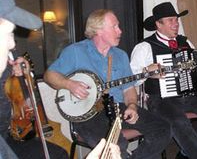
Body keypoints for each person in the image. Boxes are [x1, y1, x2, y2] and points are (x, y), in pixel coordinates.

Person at [44, 9, 171, 159]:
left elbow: (128, 89)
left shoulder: (121, 55)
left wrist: (132, 106)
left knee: (163, 128)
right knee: (116, 146)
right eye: (114, 26)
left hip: (118, 108)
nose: (120, 31)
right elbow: (49, 75)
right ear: (98, 30)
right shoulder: (76, 52)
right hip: (88, 115)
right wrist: (69, 84)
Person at [130, 2, 197, 159]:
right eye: (171, 20)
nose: (176, 24)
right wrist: (147, 72)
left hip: (189, 95)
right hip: (161, 99)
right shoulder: (145, 47)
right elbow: (132, 79)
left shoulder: (185, 42)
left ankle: (185, 153)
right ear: (158, 24)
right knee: (179, 121)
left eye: (176, 20)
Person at [0, 0, 67, 158]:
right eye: (7, 34)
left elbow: (21, 98)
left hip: (11, 134)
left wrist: (26, 73)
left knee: (59, 154)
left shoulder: (9, 58)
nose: (13, 44)